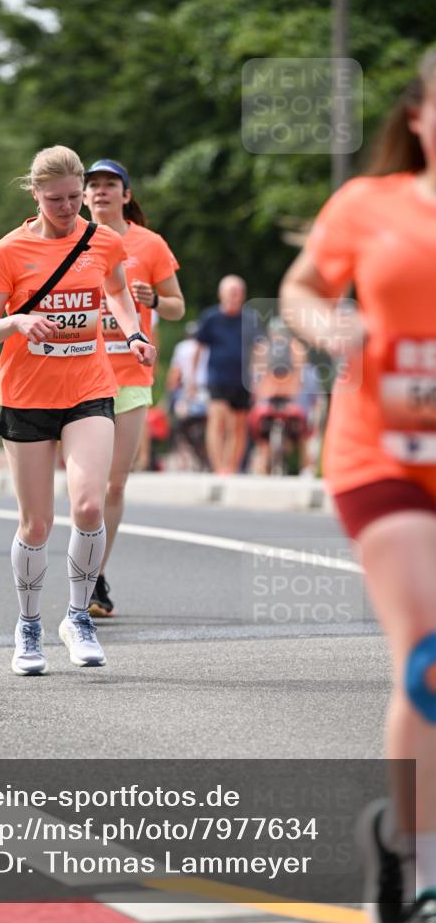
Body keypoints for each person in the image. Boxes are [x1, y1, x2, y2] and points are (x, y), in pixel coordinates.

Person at [280, 47, 436, 923]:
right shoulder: (368, 206)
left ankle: (390, 834)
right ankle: (424, 875)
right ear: (418, 115)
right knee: (428, 649)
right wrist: (329, 324)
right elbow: (301, 284)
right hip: (381, 454)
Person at [0, 146, 156, 675]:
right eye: (56, 199)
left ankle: (78, 617)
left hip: (88, 388)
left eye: (76, 198)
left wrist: (135, 332)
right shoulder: (7, 251)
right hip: (27, 396)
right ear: (34, 193)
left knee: (90, 507)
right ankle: (28, 626)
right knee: (36, 523)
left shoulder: (103, 240)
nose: (69, 207)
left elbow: (117, 292)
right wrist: (17, 323)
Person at [82, 159, 184, 616]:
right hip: (80, 376)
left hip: (130, 377)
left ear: (126, 195)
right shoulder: (71, 241)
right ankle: (83, 572)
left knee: (114, 484)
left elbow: (179, 307)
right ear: (84, 197)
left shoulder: (150, 244)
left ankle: (95, 574)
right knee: (86, 488)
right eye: (94, 185)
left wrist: (155, 300)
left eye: (110, 185)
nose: (101, 192)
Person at [192, 275, 256, 474]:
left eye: (238, 293)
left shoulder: (250, 319)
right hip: (217, 377)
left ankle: (231, 467)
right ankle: (218, 466)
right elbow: (198, 349)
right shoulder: (211, 318)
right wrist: (192, 379)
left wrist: (257, 380)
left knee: (238, 426)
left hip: (242, 380)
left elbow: (257, 350)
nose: (234, 297)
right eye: (231, 292)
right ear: (221, 294)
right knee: (217, 421)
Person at [248, 316, 309, 475]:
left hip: (286, 397)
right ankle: (263, 463)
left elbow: (299, 374)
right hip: (271, 396)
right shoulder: (265, 349)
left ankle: (305, 466)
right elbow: (257, 375)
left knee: (301, 429)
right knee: (261, 431)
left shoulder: (294, 348)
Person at [167, 321, 209, 470]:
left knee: (175, 421)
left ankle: (176, 449)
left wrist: (170, 392)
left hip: (187, 392)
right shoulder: (208, 346)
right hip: (208, 391)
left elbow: (174, 376)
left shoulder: (182, 347)